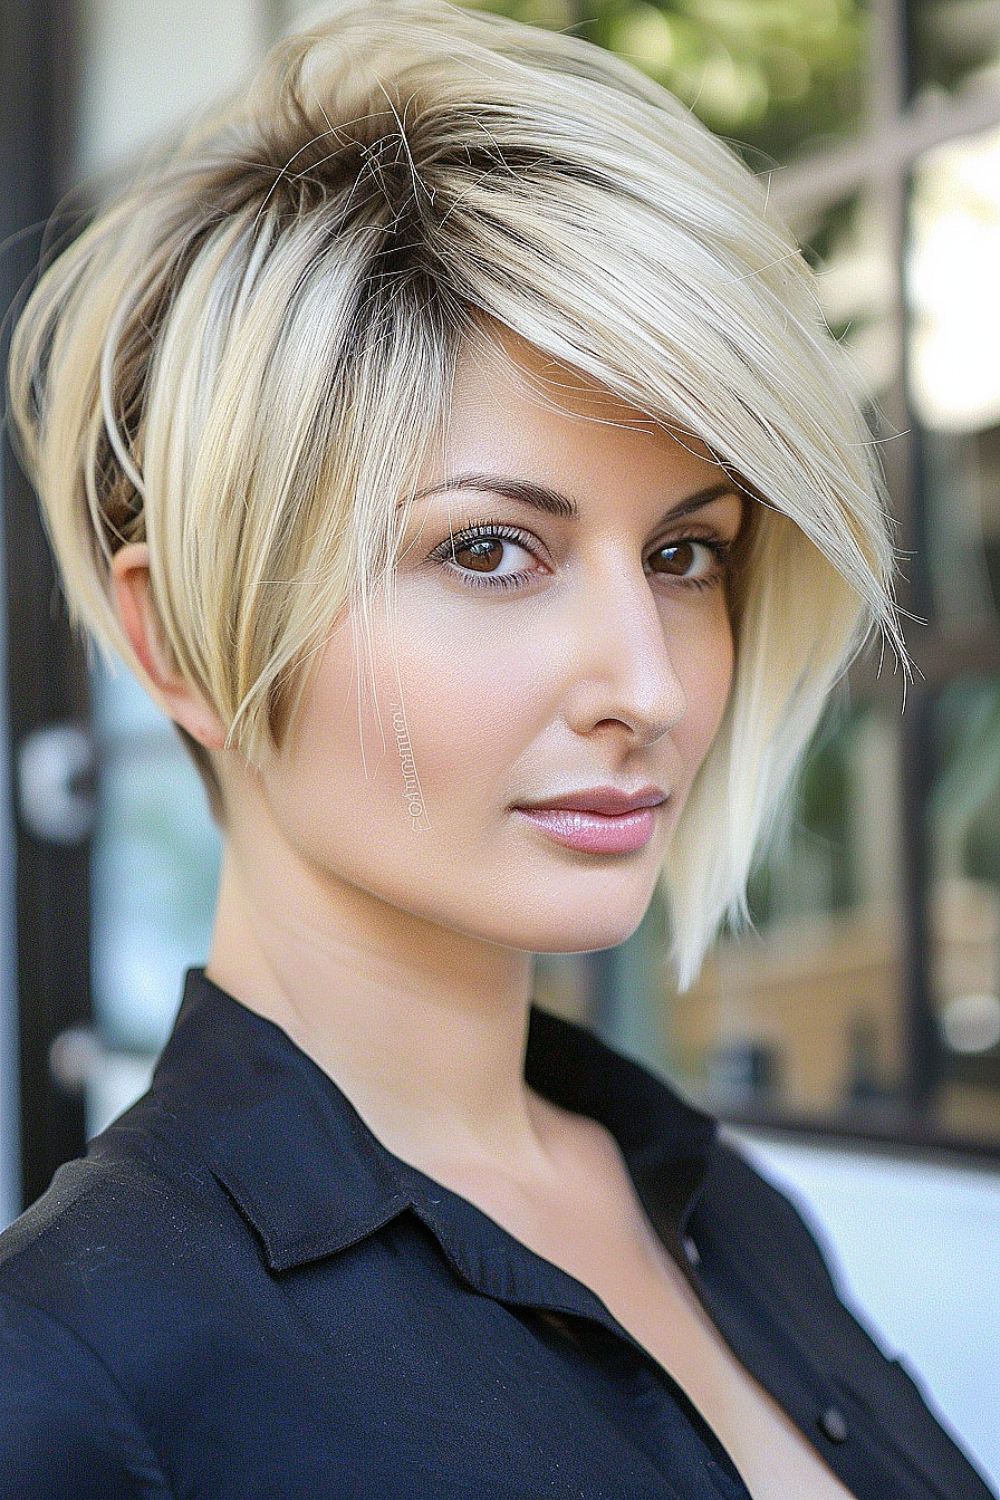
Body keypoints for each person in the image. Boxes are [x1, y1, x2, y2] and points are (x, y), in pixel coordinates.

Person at [0, 2, 992, 1496]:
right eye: (488, 550)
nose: (648, 686)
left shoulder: (727, 1207)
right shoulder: (81, 1365)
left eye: (686, 554)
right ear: (181, 641)